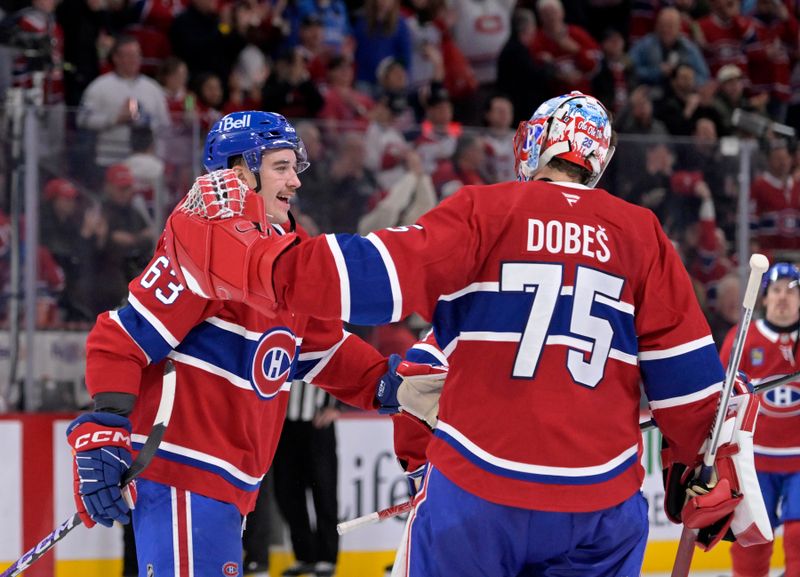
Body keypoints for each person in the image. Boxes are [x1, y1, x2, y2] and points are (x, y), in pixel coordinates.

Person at [164, 92, 771, 576]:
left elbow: (375, 282)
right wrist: (698, 465)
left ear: (533, 144)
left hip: (482, 495)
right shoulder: (642, 234)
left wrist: (263, 262)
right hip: (600, 505)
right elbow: (690, 388)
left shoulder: (488, 209)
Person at [65, 110, 432, 577]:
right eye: (281, 166)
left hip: (227, 484)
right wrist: (105, 425)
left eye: (296, 168)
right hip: (182, 470)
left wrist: (394, 386)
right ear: (240, 171)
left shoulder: (281, 252)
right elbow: (118, 338)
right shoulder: (201, 238)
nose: (295, 181)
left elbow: (322, 348)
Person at [721, 262, 800, 577]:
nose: (784, 298)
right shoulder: (743, 339)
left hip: (799, 460)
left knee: (798, 537)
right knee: (750, 541)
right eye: (777, 290)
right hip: (752, 462)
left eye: (792, 292)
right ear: (765, 298)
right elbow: (720, 392)